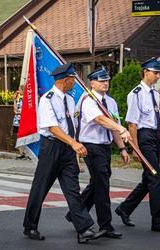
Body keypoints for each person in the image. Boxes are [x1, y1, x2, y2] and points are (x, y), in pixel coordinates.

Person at [23, 63, 104, 244]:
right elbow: (52, 127)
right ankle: (30, 225)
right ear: (65, 80)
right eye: (73, 79)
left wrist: (75, 146)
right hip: (51, 148)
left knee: (72, 190)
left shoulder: (69, 99)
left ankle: (84, 230)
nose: (75, 82)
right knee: (40, 188)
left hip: (67, 150)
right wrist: (74, 143)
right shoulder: (47, 99)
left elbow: (71, 126)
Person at [64, 66, 131, 239]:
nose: (105, 83)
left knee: (98, 182)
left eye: (107, 80)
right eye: (101, 81)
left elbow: (113, 125)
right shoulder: (88, 100)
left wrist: (122, 148)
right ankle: (105, 225)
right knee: (102, 184)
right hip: (91, 146)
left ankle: (76, 213)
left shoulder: (111, 101)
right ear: (92, 83)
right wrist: (121, 128)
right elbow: (100, 120)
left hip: (105, 146)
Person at [115, 58, 160, 233]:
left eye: (159, 72)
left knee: (147, 179)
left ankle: (124, 208)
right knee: (155, 178)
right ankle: (158, 221)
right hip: (143, 138)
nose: (158, 76)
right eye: (155, 72)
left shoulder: (156, 94)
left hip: (154, 136)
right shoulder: (135, 94)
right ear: (145, 72)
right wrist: (135, 148)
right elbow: (132, 124)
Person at [13, 85, 25, 159]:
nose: (18, 91)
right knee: (18, 136)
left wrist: (18, 113)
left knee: (24, 136)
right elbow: (15, 109)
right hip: (17, 120)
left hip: (23, 120)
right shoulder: (19, 99)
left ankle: (26, 153)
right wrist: (14, 100)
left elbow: (26, 111)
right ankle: (21, 153)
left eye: (19, 90)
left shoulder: (27, 100)